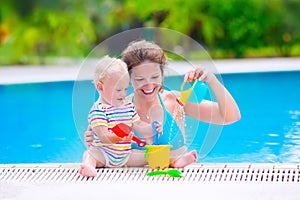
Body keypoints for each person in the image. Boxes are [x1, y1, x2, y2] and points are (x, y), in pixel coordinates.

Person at [84, 40, 241, 168]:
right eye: (140, 79)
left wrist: (211, 80)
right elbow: (102, 144)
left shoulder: (174, 101)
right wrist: (92, 138)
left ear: (162, 75)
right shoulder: (118, 109)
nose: (149, 84)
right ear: (129, 80)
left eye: (154, 77)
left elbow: (230, 117)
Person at [79, 55, 161, 177]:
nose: (123, 94)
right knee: (91, 154)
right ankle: (88, 166)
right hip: (104, 154)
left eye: (125, 89)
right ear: (100, 87)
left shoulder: (127, 107)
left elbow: (139, 124)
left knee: (151, 155)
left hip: (125, 155)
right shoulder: (98, 110)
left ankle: (174, 161)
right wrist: (120, 138)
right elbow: (104, 137)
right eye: (118, 90)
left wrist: (152, 128)